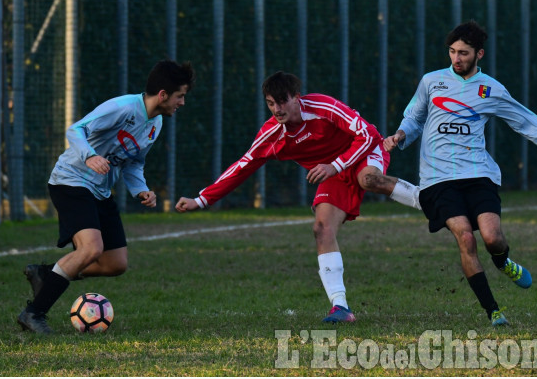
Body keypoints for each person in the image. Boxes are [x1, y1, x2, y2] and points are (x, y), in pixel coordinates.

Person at [383, 20, 537, 326]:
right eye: (453, 52)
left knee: (492, 238)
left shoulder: (491, 90)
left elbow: (524, 120)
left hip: (477, 173)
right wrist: (400, 135)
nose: (457, 58)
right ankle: (494, 311)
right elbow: (414, 118)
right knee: (466, 239)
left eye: (464, 53)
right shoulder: (431, 82)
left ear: (479, 54)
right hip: (437, 178)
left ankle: (503, 261)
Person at [175, 71, 421, 323]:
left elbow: (367, 134)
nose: (277, 109)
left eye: (282, 101)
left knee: (368, 179)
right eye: (271, 103)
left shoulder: (322, 106)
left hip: (363, 152)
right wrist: (201, 200)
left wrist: (334, 166)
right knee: (321, 229)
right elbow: (242, 166)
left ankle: (427, 200)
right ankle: (341, 307)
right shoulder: (272, 134)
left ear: (296, 97)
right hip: (333, 171)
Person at [18, 60, 196, 334]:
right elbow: (75, 130)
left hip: (99, 190)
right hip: (71, 180)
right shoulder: (123, 107)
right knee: (91, 249)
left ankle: (46, 273)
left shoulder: (155, 123)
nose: (182, 102)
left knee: (115, 264)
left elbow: (134, 162)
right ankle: (33, 313)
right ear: (163, 94)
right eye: (180, 96)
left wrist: (142, 190)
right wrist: (89, 157)